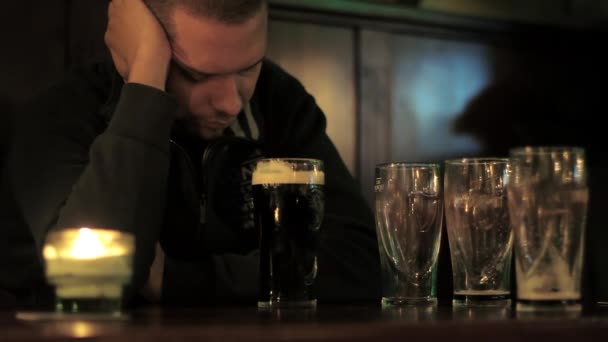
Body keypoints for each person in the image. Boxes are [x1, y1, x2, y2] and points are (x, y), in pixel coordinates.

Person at [0, 0, 380, 308]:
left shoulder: (279, 100)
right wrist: (146, 77)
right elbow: (91, 283)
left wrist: (178, 281)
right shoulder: (64, 114)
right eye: (198, 76)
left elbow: (364, 262)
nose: (230, 103)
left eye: (248, 68)